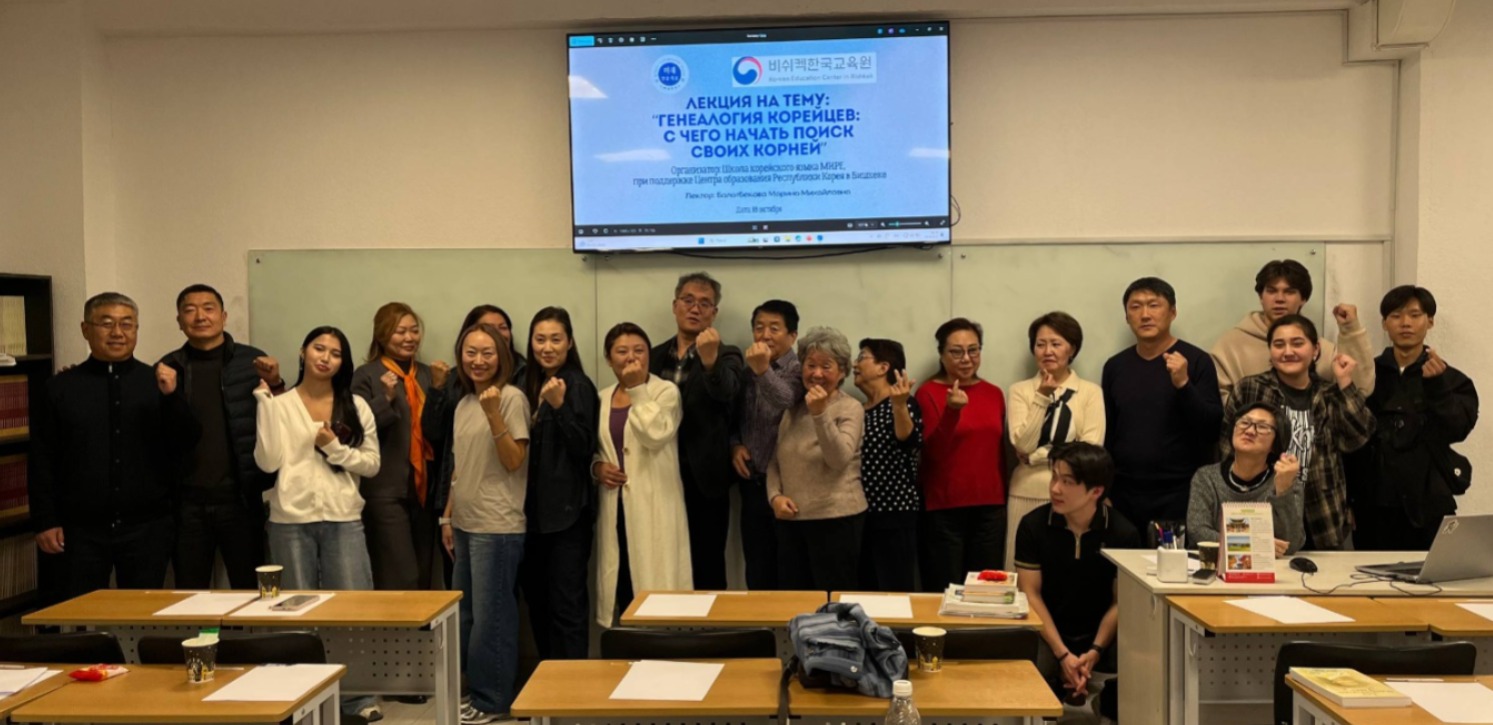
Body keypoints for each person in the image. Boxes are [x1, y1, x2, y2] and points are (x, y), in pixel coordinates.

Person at [30, 292, 197, 597]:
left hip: (147, 527)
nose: (118, 333)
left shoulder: (159, 382)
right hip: (79, 530)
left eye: (127, 324)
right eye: (106, 324)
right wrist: (45, 520)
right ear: (86, 329)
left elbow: (187, 442)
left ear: (136, 329)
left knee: (142, 613)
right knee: (79, 612)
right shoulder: (60, 388)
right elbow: (42, 458)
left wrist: (172, 398)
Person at [252, 325, 380, 723]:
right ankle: (299, 698)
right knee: (294, 616)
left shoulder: (356, 405)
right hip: (290, 520)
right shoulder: (280, 403)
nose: (325, 357)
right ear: (303, 352)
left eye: (335, 353)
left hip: (344, 518)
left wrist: (335, 449)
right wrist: (265, 405)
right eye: (318, 348)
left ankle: (357, 698)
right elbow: (267, 462)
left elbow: (371, 464)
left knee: (353, 612)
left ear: (343, 362)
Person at [434, 322, 530, 724]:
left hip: (498, 525)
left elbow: (514, 461)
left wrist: (494, 414)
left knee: (493, 619)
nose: (478, 360)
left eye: (487, 352)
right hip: (466, 522)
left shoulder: (512, 398)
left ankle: (493, 701)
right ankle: (477, 691)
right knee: (468, 617)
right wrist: (448, 515)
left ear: (501, 356)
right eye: (470, 352)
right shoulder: (463, 403)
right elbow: (459, 467)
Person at [159, 283, 282, 590]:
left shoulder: (253, 362)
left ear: (224, 316)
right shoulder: (168, 368)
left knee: (251, 591)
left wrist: (277, 383)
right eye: (190, 310)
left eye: (208, 308)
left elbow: (281, 419)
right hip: (186, 504)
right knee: (190, 592)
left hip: (241, 500)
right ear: (179, 321)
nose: (200, 316)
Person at [1224, 314, 1375, 550]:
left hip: (1321, 511)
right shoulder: (1250, 388)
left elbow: (1358, 437)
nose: (1288, 352)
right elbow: (1228, 449)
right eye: (1279, 344)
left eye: (1297, 343)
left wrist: (1345, 383)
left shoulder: (1328, 393)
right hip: (1260, 508)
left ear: (1315, 350)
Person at [1350, 286, 1479, 551]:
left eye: (1415, 315)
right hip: (1372, 503)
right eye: (1396, 316)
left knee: (1432, 573)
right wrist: (1347, 500)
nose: (1405, 323)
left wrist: (1438, 387)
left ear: (1430, 321)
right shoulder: (1367, 375)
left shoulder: (1450, 378)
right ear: (1384, 324)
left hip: (1428, 502)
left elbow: (1458, 429)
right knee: (1368, 574)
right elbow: (1348, 437)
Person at [1015, 442, 1141, 703]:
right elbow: (1030, 594)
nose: (1055, 488)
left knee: (1141, 658)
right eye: (1054, 477)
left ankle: (1103, 704)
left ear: (1096, 491)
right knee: (1028, 661)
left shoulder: (1123, 533)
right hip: (1048, 633)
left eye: (1067, 482)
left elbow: (1121, 602)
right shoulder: (1032, 526)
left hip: (1102, 635)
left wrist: (1094, 650)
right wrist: (1063, 654)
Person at [1102, 278, 1223, 535]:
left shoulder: (1196, 361)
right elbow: (1109, 432)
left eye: (1154, 305)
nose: (1145, 314)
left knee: (1173, 560)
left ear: (1173, 312)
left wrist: (1184, 384)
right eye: (1136, 307)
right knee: (1121, 560)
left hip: (1180, 492)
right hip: (1124, 493)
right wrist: (1105, 489)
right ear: (1127, 317)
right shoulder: (1115, 367)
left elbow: (1212, 428)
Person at [650, 272, 743, 590]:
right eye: (688, 300)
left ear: (714, 313)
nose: (695, 308)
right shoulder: (653, 355)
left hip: (705, 479)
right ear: (674, 305)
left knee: (707, 566)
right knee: (662, 562)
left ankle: (711, 624)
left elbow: (727, 395)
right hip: (659, 475)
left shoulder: (728, 354)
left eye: (705, 303)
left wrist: (709, 362)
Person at [594, 323, 692, 625]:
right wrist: (596, 467)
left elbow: (655, 434)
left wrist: (637, 389)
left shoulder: (665, 391)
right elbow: (596, 447)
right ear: (609, 359)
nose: (631, 358)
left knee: (656, 585)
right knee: (623, 581)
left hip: (655, 504)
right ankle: (628, 646)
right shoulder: (601, 397)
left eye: (639, 351)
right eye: (622, 351)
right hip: (615, 506)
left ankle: (661, 646)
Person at [519, 307, 598, 660]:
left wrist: (560, 406)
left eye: (555, 339)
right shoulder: (526, 383)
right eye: (540, 339)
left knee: (567, 606)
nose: (547, 347)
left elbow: (584, 448)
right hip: (530, 515)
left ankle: (572, 683)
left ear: (569, 342)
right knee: (538, 603)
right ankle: (547, 679)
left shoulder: (576, 384)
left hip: (567, 516)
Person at [351, 302, 444, 592]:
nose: (409, 338)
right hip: (384, 491)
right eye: (400, 331)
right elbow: (356, 432)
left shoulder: (428, 375)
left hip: (425, 490)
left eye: (414, 331)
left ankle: (421, 625)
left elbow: (439, 431)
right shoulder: (366, 375)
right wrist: (386, 398)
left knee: (425, 575)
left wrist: (439, 390)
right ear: (382, 335)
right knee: (401, 576)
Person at [766, 327, 866, 591]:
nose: (817, 373)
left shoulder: (850, 407)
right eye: (810, 365)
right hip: (792, 521)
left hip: (837, 520)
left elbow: (839, 459)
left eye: (826, 366)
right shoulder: (792, 409)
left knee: (834, 603)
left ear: (842, 371)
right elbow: (775, 459)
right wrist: (775, 496)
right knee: (795, 600)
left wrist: (820, 415)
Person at [1006, 312, 1105, 570]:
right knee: (1020, 570)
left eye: (1056, 344)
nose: (1047, 351)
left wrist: (1038, 456)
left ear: (1072, 349)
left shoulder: (1090, 392)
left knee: (1064, 571)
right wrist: (1041, 397)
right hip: (1026, 491)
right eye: (1040, 344)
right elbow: (1022, 444)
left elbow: (1089, 451)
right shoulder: (1019, 391)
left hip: (1075, 497)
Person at [915, 317, 1007, 592]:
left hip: (990, 507)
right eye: (956, 352)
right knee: (944, 589)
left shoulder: (994, 393)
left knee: (985, 591)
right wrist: (952, 411)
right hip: (944, 507)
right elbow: (932, 451)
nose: (966, 359)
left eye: (973, 350)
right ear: (942, 354)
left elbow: (1000, 452)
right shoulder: (928, 392)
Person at [1211, 260, 1374, 401]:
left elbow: (1360, 390)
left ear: (1303, 298)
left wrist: (1350, 329)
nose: (1279, 299)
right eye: (1271, 291)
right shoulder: (1230, 345)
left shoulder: (1320, 349)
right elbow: (1217, 396)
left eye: (1289, 292)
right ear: (1261, 296)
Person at [731, 299, 802, 591]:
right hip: (753, 481)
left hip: (789, 486)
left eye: (774, 328)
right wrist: (735, 444)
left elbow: (785, 399)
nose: (765, 335)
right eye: (759, 327)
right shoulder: (747, 370)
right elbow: (734, 414)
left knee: (789, 567)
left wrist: (762, 371)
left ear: (792, 335)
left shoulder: (800, 369)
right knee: (758, 567)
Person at [851, 338, 922, 592]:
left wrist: (899, 405)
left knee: (894, 590)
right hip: (860, 514)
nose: (854, 364)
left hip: (894, 514)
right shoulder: (858, 410)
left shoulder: (903, 402)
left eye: (862, 357)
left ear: (883, 367)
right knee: (864, 590)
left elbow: (909, 441)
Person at [1188, 403, 1305, 556]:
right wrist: (1251, 544)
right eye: (1244, 422)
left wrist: (1282, 491)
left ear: (1275, 443)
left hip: (1271, 568)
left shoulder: (1287, 481)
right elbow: (1197, 532)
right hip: (1215, 566)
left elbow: (1291, 544)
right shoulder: (1207, 477)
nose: (1249, 431)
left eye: (1262, 427)